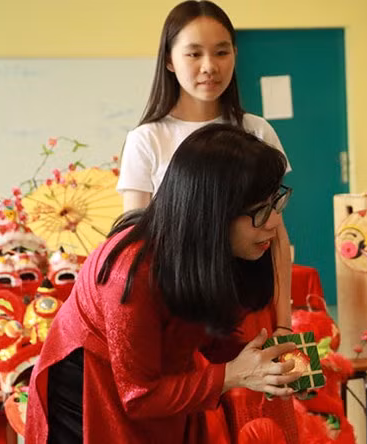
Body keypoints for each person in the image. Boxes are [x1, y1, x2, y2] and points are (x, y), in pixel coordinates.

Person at [26, 124, 301, 443]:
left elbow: (210, 334)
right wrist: (233, 374)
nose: (275, 223)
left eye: (276, 203)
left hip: (156, 383)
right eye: (260, 212)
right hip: (89, 395)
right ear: (212, 215)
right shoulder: (129, 274)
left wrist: (269, 366)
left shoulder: (218, 248)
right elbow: (139, 396)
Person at [116, 0, 294, 338]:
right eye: (194, 54)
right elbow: (133, 247)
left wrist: (283, 319)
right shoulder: (147, 140)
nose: (209, 66)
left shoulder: (257, 132)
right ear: (169, 59)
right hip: (177, 312)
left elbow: (277, 234)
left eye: (221, 52)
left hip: (248, 307)